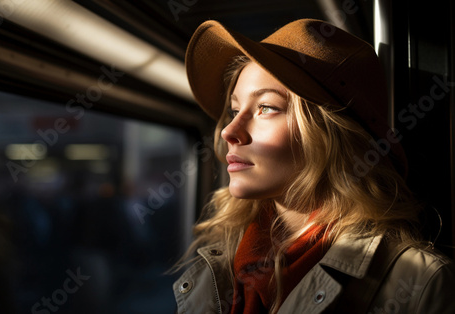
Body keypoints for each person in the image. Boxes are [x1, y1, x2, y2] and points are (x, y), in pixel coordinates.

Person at [172, 18, 455, 313]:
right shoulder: (220, 259)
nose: (229, 131)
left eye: (266, 107)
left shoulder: (421, 285)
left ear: (329, 134)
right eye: (233, 110)